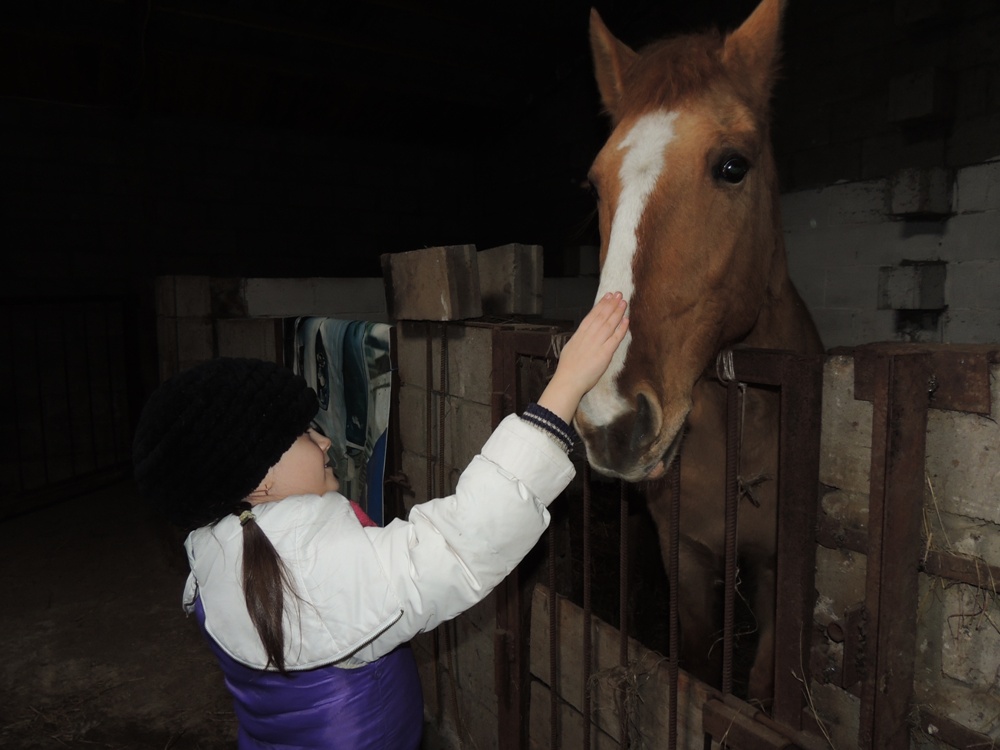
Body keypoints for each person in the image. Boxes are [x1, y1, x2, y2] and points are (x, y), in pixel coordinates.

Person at [132, 291, 629, 750]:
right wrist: (565, 387)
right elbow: (462, 543)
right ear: (256, 483)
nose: (325, 442)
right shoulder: (317, 569)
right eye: (304, 435)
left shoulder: (216, 550)